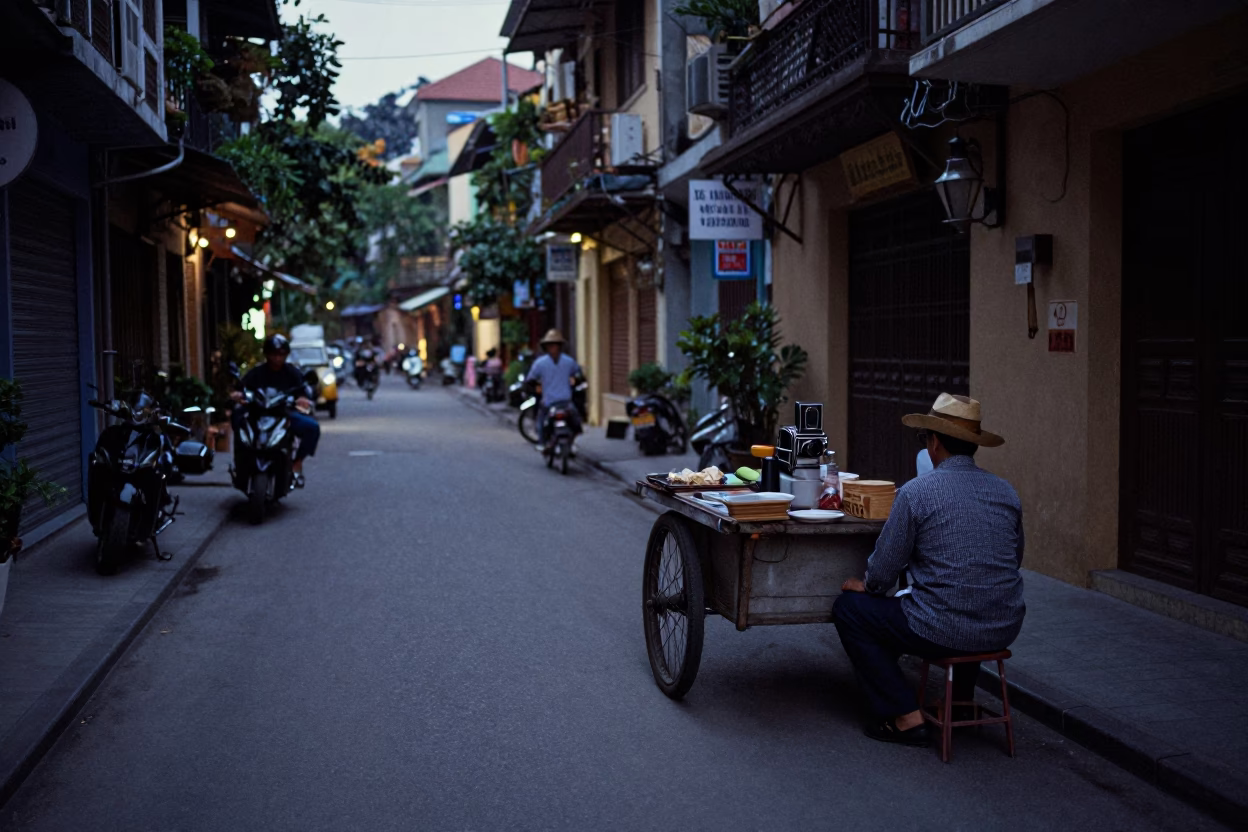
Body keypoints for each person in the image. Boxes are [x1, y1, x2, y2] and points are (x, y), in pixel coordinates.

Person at [832, 393, 1024, 748]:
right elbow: (1014, 558)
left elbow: (884, 568)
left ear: (934, 442)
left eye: (925, 438)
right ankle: (960, 704)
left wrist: (868, 586)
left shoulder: (917, 492)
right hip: (1003, 625)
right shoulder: (1006, 492)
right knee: (966, 594)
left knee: (850, 610)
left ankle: (905, 715)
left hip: (942, 626)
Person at [231, 334, 321, 488]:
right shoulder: (257, 372)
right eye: (273, 354)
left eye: (281, 354)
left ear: (286, 355)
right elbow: (241, 388)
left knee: (312, 428)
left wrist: (303, 398)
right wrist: (238, 395)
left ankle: (297, 463)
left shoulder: (292, 373)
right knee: (238, 419)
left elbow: (304, 390)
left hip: (284, 414)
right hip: (257, 413)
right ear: (266, 354)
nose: (277, 358)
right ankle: (240, 462)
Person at [525, 329, 583, 451]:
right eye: (551, 345)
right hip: (551, 402)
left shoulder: (566, 362)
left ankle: (548, 443)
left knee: (575, 423)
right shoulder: (543, 363)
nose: (553, 348)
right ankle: (544, 442)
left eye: (555, 345)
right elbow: (579, 376)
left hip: (562, 401)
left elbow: (530, 380)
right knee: (542, 422)